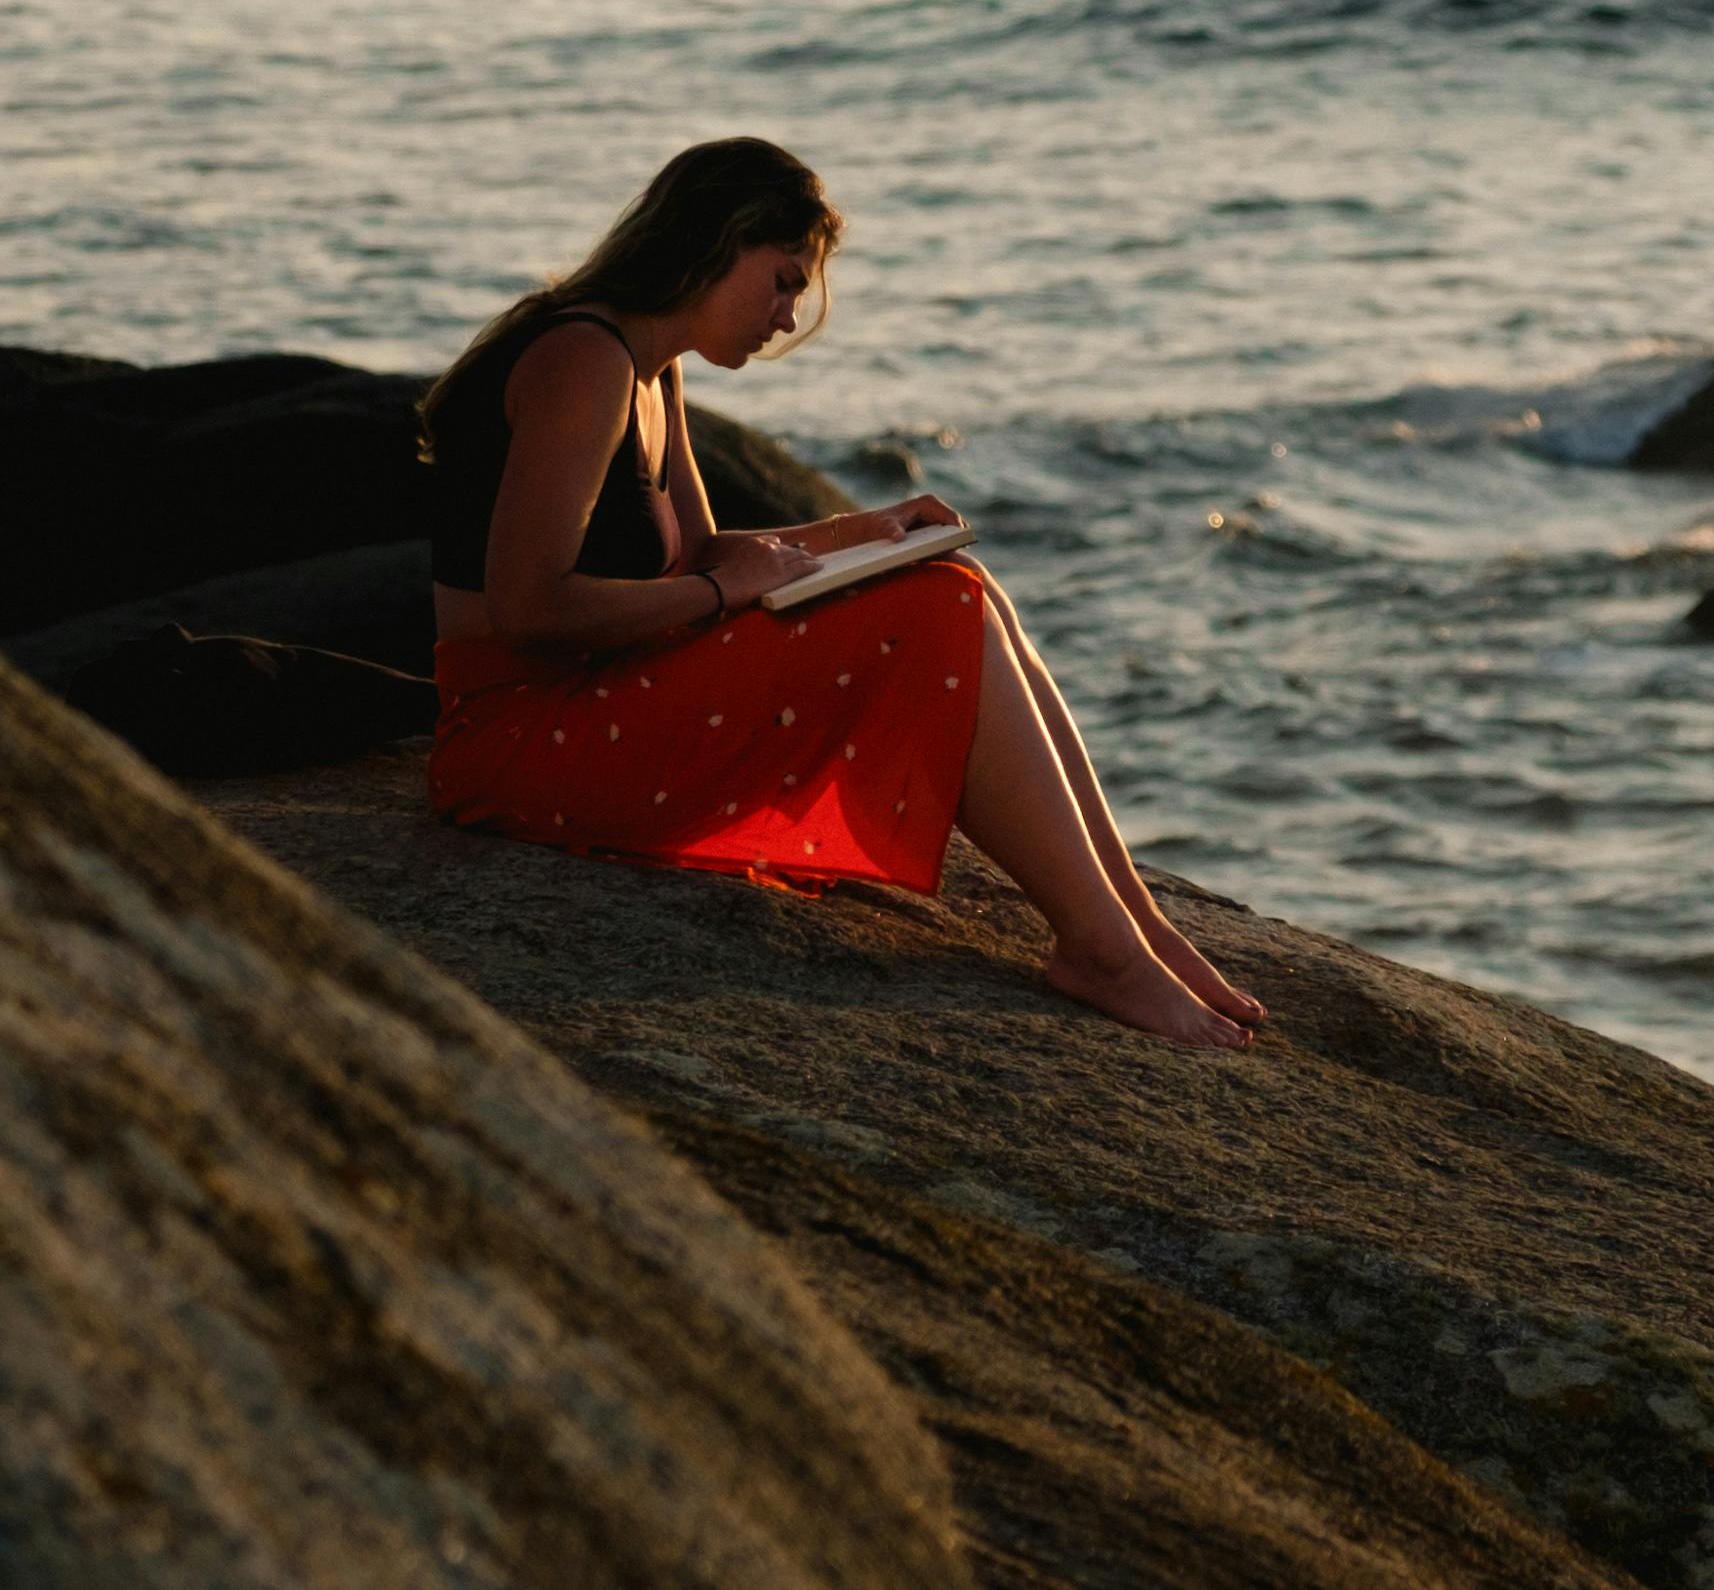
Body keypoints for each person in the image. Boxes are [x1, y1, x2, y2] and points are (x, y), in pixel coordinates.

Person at [414, 137, 1257, 1049]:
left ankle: (1135, 925)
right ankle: (1104, 951)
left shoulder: (651, 366)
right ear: (713, 241)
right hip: (521, 736)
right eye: (781, 281)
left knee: (952, 577)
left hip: (592, 694)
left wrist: (861, 532)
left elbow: (695, 552)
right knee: (931, 615)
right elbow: (532, 612)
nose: (787, 317)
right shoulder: (584, 359)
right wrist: (717, 594)